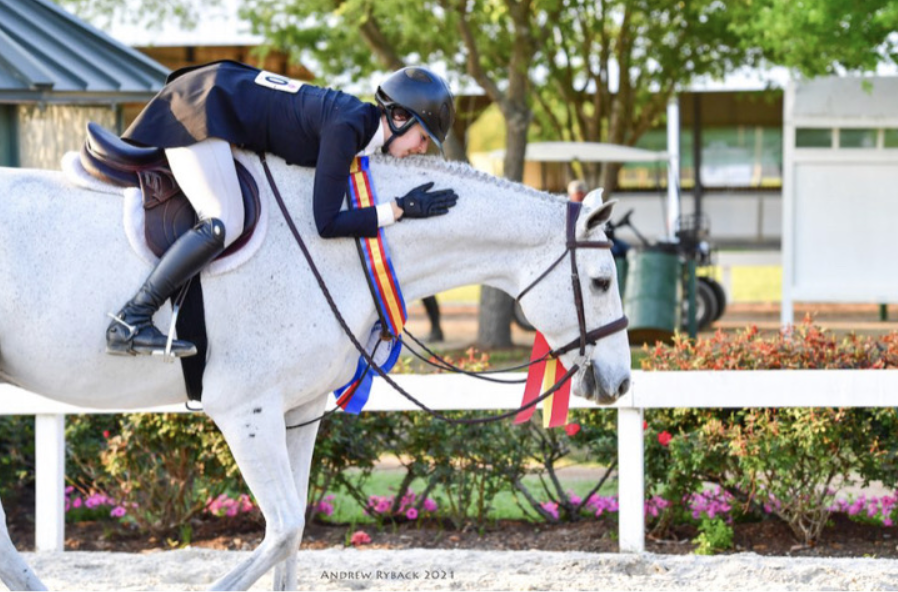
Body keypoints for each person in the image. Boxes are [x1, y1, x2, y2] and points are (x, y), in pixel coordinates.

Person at [105, 60, 459, 357]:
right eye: (424, 136)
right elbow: (326, 222)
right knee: (224, 220)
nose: (422, 147)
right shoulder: (347, 127)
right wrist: (397, 210)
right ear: (399, 116)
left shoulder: (355, 122)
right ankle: (132, 319)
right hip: (198, 107)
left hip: (213, 95)